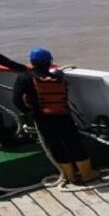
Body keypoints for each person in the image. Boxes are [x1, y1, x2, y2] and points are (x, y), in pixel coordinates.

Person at [11, 47, 97, 184]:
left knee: (55, 146)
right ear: (50, 61)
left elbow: (16, 99)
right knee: (74, 144)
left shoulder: (24, 77)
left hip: (42, 118)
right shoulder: (58, 77)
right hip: (63, 115)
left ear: (32, 62)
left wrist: (29, 112)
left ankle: (70, 177)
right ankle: (87, 174)